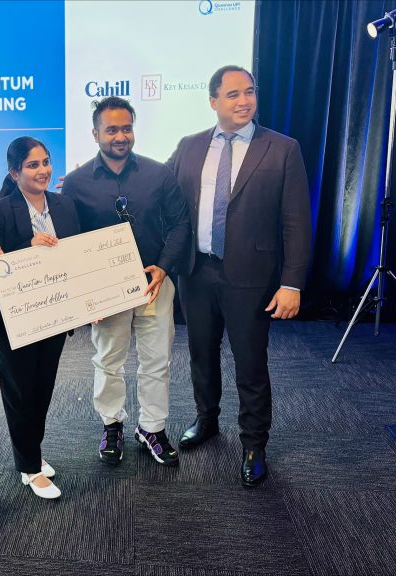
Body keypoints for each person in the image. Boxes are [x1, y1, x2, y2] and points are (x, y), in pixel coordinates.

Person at [166, 65, 311, 487]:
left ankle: (253, 443)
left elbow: (297, 222)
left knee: (250, 363)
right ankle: (206, 420)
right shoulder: (190, 147)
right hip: (196, 271)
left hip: (252, 276)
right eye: (232, 94)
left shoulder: (283, 149)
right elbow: (162, 192)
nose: (243, 101)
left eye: (249, 92)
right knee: (201, 354)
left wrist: (292, 282)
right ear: (213, 101)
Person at [62, 97, 190, 468]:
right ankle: (112, 424)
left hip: (154, 284)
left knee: (157, 360)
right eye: (112, 129)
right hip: (106, 292)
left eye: (126, 128)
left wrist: (164, 268)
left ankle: (152, 427)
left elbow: (181, 223)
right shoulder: (76, 183)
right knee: (108, 360)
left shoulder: (159, 174)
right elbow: (71, 240)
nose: (121, 136)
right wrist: (86, 296)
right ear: (95, 133)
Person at [0, 137, 81, 499]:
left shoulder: (65, 205)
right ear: (14, 172)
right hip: (16, 321)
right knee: (20, 393)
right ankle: (29, 467)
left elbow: (76, 257)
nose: (42, 170)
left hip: (55, 314)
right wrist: (28, 248)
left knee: (42, 388)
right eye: (32, 165)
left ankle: (33, 454)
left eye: (46, 162)